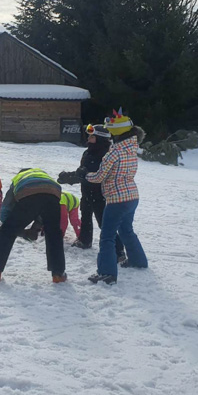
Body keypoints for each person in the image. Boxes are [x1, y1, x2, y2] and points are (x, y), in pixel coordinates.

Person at [83, 109, 148, 284]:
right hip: (132, 196)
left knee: (107, 236)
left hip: (117, 199)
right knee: (126, 230)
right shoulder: (132, 148)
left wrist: (84, 175)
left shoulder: (114, 152)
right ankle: (138, 261)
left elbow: (99, 177)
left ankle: (107, 273)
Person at [0, 168, 66, 284]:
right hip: (53, 193)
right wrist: (36, 228)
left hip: (29, 194)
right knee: (54, 233)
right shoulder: (44, 176)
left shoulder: (18, 179)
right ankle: (58, 274)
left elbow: (6, 207)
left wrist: (11, 227)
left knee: (5, 232)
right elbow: (43, 205)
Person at [58, 124, 126, 259]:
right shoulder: (88, 152)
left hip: (100, 193)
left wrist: (84, 174)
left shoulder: (106, 155)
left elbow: (102, 174)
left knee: (104, 222)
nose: (89, 138)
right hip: (87, 190)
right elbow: (81, 172)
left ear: (100, 139)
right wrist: (69, 177)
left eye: (92, 136)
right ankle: (85, 240)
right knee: (86, 215)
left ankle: (119, 251)